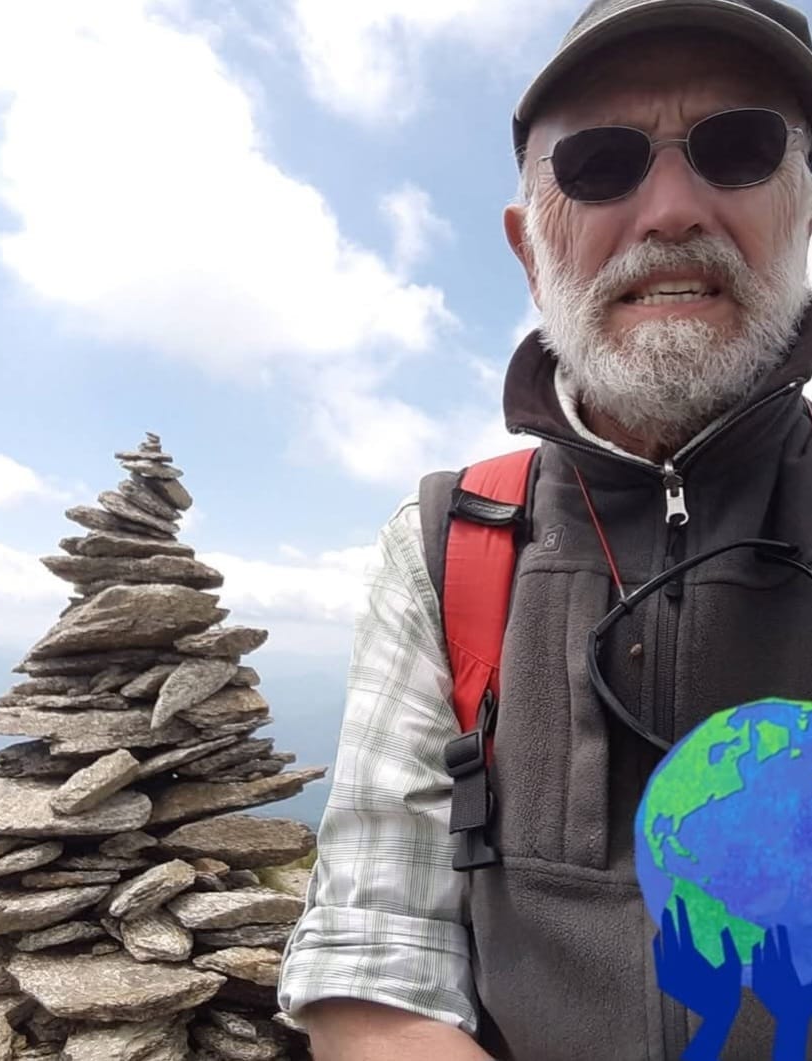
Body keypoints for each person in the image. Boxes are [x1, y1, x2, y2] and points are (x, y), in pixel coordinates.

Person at [277, 1, 812, 1058]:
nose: (670, 210)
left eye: (738, 148)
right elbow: (372, 962)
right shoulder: (445, 544)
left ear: (802, 209)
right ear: (530, 249)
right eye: (599, 164)